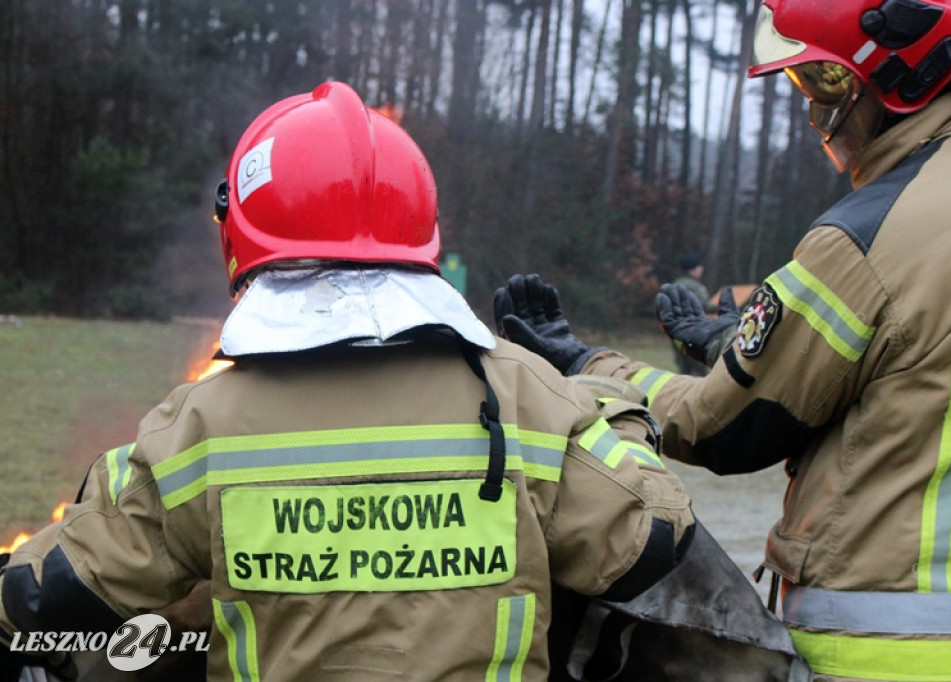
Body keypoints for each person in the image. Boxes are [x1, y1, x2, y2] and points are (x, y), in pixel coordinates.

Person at [0, 82, 695, 682]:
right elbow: (649, 539)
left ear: (239, 233)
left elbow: (52, 592)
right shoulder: (525, 397)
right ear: (423, 233)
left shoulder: (199, 426)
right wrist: (602, 395)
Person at [494, 0, 951, 679]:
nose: (815, 114)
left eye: (822, 84)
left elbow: (722, 428)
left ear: (909, 79)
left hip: (888, 644)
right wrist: (733, 342)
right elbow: (928, 364)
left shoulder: (869, 235)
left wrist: (581, 360)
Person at [670, 253, 717, 376]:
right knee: (699, 370)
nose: (701, 269)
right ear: (692, 269)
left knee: (684, 370)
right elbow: (705, 305)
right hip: (693, 331)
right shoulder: (694, 286)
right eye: (698, 267)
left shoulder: (675, 284)